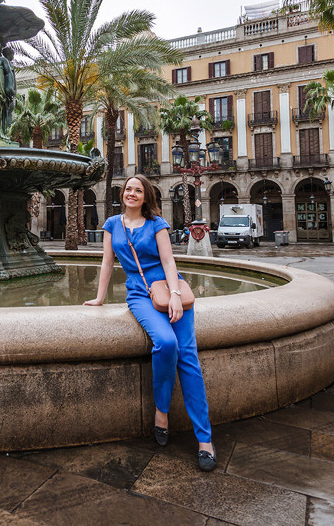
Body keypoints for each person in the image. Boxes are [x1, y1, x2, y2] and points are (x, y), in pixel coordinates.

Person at [83, 175, 216, 472]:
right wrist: (99, 298)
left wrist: (175, 295)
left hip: (171, 289)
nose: (132, 193)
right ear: (122, 194)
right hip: (140, 295)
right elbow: (107, 263)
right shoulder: (112, 225)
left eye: (138, 190)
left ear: (146, 197)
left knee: (189, 359)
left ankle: (205, 440)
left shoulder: (157, 224)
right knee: (166, 343)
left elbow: (169, 262)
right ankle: (161, 412)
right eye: (128, 189)